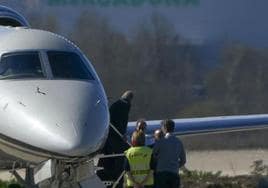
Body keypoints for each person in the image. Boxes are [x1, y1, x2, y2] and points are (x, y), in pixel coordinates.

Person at [97, 90, 134, 187]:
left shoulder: (117, 105)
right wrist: (122, 133)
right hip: (115, 135)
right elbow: (122, 122)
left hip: (113, 134)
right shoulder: (125, 105)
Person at [153, 119, 186, 188]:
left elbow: (153, 155)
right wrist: (175, 165)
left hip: (161, 174)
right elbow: (183, 160)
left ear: (164, 128)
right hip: (174, 173)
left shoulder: (160, 141)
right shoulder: (179, 142)